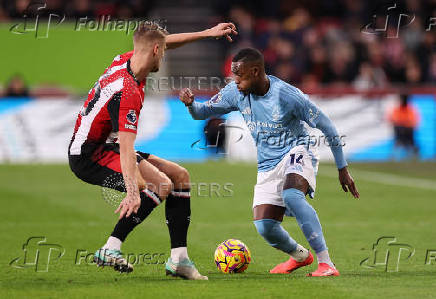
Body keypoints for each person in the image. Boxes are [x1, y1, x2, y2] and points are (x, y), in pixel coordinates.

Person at [68, 21, 237, 279]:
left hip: (104, 144)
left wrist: (206, 33)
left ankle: (179, 259)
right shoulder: (127, 93)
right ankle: (110, 248)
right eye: (164, 50)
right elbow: (126, 149)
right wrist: (134, 191)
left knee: (180, 177)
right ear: (156, 51)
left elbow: (165, 41)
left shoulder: (127, 60)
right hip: (88, 154)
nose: (166, 53)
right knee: (159, 185)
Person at [179, 48, 359, 277]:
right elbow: (202, 112)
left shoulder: (287, 96)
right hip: (267, 163)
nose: (235, 81)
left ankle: (326, 264)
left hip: (297, 149)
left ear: (255, 72)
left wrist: (342, 168)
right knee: (265, 226)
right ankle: (300, 256)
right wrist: (190, 104)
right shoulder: (235, 92)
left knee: (292, 195)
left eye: (239, 75)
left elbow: (328, 127)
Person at [387, 94, 420, 159]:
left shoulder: (411, 110)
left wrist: (405, 124)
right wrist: (403, 124)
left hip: (409, 131)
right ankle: (395, 156)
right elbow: (393, 120)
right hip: (399, 131)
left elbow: (414, 121)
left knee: (409, 138)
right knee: (400, 133)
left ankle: (412, 155)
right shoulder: (397, 109)